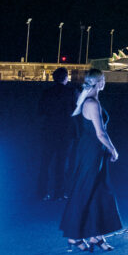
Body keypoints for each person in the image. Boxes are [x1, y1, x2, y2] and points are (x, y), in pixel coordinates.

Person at [60, 69, 122, 252]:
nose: (105, 82)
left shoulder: (90, 100)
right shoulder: (92, 103)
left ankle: (96, 235)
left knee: (98, 192)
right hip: (90, 153)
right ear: (99, 82)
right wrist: (113, 150)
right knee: (84, 192)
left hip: (93, 152)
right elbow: (100, 133)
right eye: (103, 79)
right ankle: (73, 237)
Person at [37, 66, 75, 201]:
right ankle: (59, 193)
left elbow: (41, 111)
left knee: (45, 163)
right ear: (66, 78)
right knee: (62, 163)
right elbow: (74, 110)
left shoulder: (47, 92)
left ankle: (42, 192)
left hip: (49, 131)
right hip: (65, 132)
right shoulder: (71, 92)